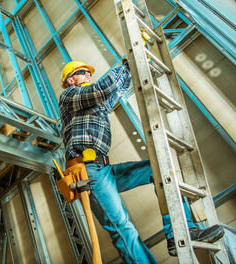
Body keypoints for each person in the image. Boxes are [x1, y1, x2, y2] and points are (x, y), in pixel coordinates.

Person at [58, 60, 224, 263]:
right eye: (83, 72)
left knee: (156, 169)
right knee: (122, 228)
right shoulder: (69, 96)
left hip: (104, 168)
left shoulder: (94, 104)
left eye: (88, 72)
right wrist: (126, 63)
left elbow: (115, 92)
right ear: (70, 80)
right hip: (87, 171)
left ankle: (181, 230)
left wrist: (132, 70)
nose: (88, 74)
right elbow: (102, 89)